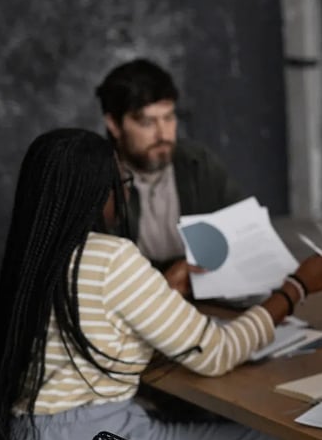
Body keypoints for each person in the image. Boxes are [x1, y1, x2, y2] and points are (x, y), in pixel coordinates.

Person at [0, 129, 322, 440]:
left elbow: (91, 318)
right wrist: (296, 288)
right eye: (120, 183)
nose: (125, 194)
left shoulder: (32, 255)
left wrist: (159, 290)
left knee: (204, 427)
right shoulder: (112, 257)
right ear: (96, 194)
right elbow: (216, 353)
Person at [95, 58, 243, 297]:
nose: (163, 134)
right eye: (146, 122)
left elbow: (240, 234)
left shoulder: (198, 164)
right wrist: (161, 287)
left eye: (169, 117)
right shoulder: (97, 182)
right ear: (114, 124)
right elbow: (99, 279)